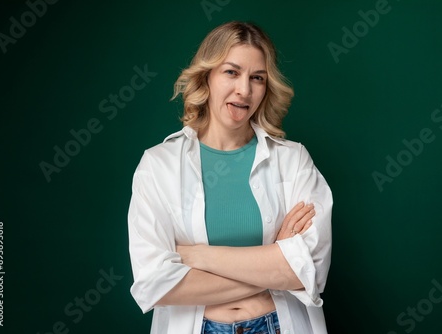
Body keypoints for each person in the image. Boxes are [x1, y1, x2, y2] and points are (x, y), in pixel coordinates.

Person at [127, 21, 333, 334]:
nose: (244, 90)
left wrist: (195, 256)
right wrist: (273, 264)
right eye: (231, 72)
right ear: (206, 75)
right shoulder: (158, 165)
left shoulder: (293, 161)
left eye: (257, 78)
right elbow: (155, 285)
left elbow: (310, 270)